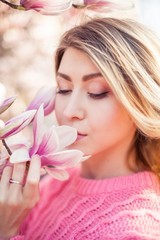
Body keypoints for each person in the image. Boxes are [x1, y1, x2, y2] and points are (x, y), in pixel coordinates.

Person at [0, 17, 160, 240]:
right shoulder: (56, 181)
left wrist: (7, 231)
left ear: (139, 101)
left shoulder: (135, 231)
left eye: (97, 91)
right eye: (64, 89)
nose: (69, 111)